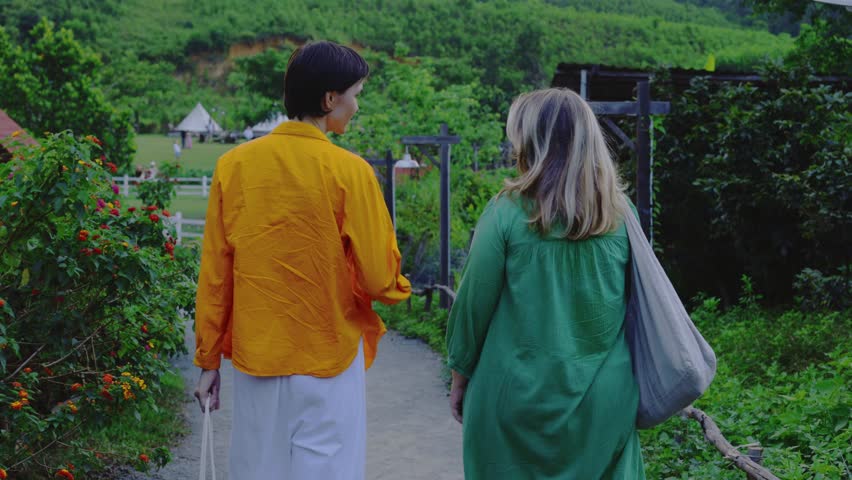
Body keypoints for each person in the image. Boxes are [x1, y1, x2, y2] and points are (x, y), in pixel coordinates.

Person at [193, 41, 411, 480]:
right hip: (328, 354)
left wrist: (209, 360)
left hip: (260, 355)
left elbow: (216, 274)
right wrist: (396, 288)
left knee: (258, 470)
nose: (356, 105)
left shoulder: (233, 166)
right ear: (330, 99)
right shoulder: (351, 171)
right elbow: (378, 277)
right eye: (356, 94)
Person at [445, 88, 646, 479]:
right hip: (604, 401)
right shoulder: (623, 216)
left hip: (515, 399)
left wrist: (459, 377)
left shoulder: (506, 213)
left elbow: (472, 306)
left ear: (530, 141)